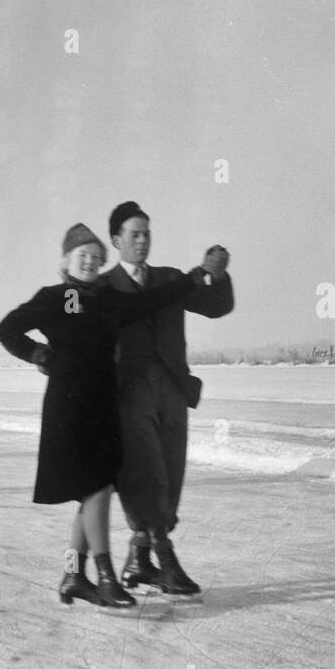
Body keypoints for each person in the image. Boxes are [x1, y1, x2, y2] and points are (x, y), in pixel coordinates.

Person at [0, 223, 205, 608]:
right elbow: (7, 329)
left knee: (94, 491)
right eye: (82, 255)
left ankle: (73, 575)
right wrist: (40, 354)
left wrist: (192, 279)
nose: (89, 262)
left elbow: (152, 300)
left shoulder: (108, 300)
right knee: (96, 490)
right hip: (71, 406)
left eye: (95, 256)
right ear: (66, 260)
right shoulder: (58, 296)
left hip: (104, 404)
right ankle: (106, 577)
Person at [102, 201, 234, 596]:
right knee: (145, 469)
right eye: (134, 234)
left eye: (147, 234)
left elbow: (216, 307)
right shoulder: (104, 288)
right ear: (116, 240)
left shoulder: (170, 278)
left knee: (172, 470)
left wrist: (218, 276)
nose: (142, 241)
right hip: (129, 392)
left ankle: (139, 558)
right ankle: (166, 558)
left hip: (173, 387)